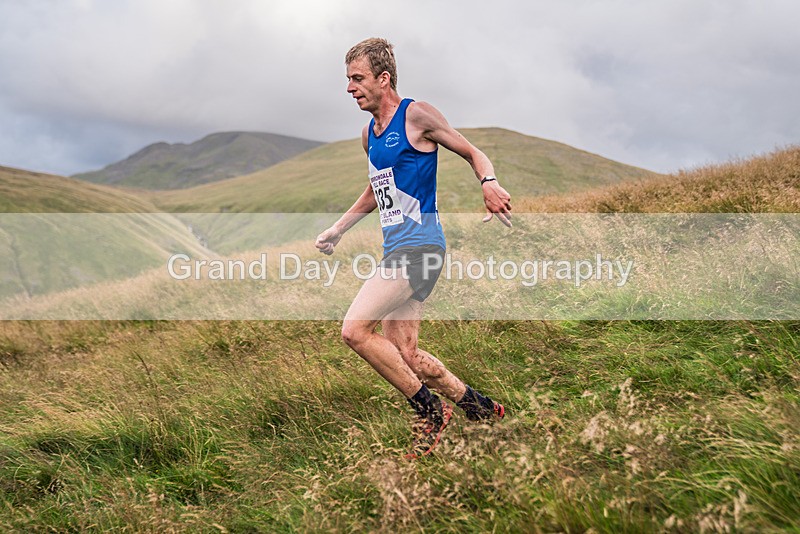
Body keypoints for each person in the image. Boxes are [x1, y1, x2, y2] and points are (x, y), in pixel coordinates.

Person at [315, 37, 512, 459]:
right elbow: (376, 190)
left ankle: (429, 411)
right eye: (348, 79)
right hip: (396, 250)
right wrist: (338, 229)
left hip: (421, 247)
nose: (350, 88)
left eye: (357, 78)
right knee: (406, 354)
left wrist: (489, 182)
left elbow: (472, 151)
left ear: (383, 78)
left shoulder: (416, 115)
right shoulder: (370, 135)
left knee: (353, 330)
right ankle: (480, 409)